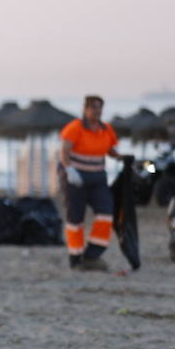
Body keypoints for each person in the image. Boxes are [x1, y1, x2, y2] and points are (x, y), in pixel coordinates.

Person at [60, 94, 124, 271]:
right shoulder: (74, 128)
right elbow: (64, 151)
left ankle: (92, 254)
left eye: (100, 108)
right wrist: (69, 170)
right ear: (86, 109)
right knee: (75, 219)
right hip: (76, 179)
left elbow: (110, 150)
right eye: (94, 108)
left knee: (106, 214)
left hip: (98, 179)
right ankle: (75, 257)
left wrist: (122, 158)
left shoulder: (107, 129)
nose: (97, 112)